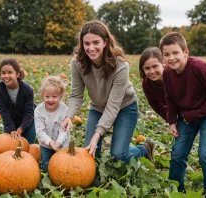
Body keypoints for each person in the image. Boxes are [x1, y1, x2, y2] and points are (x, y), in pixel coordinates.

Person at [61, 20, 154, 163]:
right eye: (87, 43)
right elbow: (76, 95)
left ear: (105, 42)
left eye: (96, 43)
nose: (91, 48)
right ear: (82, 44)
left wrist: (97, 135)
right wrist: (69, 116)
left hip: (124, 108)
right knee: (89, 154)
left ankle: (144, 149)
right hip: (98, 108)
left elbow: (113, 105)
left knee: (118, 155)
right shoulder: (77, 63)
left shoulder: (120, 65)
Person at [160, 32, 206, 193]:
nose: (171, 58)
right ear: (162, 56)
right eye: (167, 54)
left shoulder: (200, 68)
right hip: (189, 115)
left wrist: (193, 115)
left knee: (205, 154)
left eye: (176, 53)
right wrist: (172, 121)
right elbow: (170, 98)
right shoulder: (168, 74)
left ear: (185, 52)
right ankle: (176, 191)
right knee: (177, 153)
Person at [0, 58, 36, 144]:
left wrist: (21, 128)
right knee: (6, 146)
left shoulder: (27, 89)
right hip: (10, 122)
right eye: (3, 73)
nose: (6, 76)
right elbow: (4, 110)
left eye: (10, 72)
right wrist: (11, 129)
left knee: (26, 147)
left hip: (27, 122)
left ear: (17, 74)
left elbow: (29, 113)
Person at [35, 76, 70, 173]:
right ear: (42, 95)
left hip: (62, 144)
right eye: (47, 96)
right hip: (45, 145)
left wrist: (58, 143)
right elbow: (40, 131)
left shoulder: (64, 109)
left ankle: (61, 180)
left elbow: (64, 130)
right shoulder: (39, 110)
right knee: (46, 165)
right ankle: (49, 184)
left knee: (63, 165)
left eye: (54, 97)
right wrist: (50, 142)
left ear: (61, 96)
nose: (50, 100)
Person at [139, 47, 167, 122]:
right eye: (147, 68)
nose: (151, 71)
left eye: (155, 66)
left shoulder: (173, 77)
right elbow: (156, 106)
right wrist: (171, 119)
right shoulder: (147, 84)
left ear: (163, 63)